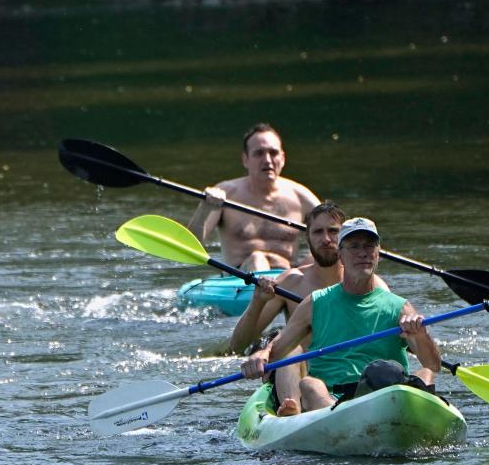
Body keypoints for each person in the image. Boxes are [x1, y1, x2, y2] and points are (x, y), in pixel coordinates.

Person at [240, 217, 441, 416]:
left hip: (386, 392)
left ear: (377, 254)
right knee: (310, 384)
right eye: (354, 246)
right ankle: (335, 418)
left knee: (425, 373)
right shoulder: (314, 303)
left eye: (369, 246)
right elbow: (277, 350)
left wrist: (420, 334)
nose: (363, 253)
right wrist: (261, 355)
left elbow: (433, 364)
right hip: (333, 399)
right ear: (341, 256)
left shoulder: (400, 307)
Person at [225, 201, 388, 355]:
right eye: (318, 232)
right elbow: (238, 346)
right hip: (301, 373)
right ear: (307, 238)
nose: (325, 239)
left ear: (345, 238)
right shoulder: (289, 283)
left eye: (333, 231)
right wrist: (257, 302)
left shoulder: (375, 286)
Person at [187, 123, 320, 271]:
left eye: (273, 153)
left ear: (282, 158)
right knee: (258, 259)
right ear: (245, 160)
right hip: (241, 279)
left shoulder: (302, 197)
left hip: (288, 277)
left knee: (318, 257)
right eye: (259, 153)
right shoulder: (225, 193)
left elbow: (337, 237)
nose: (267, 160)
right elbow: (190, 247)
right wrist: (206, 207)